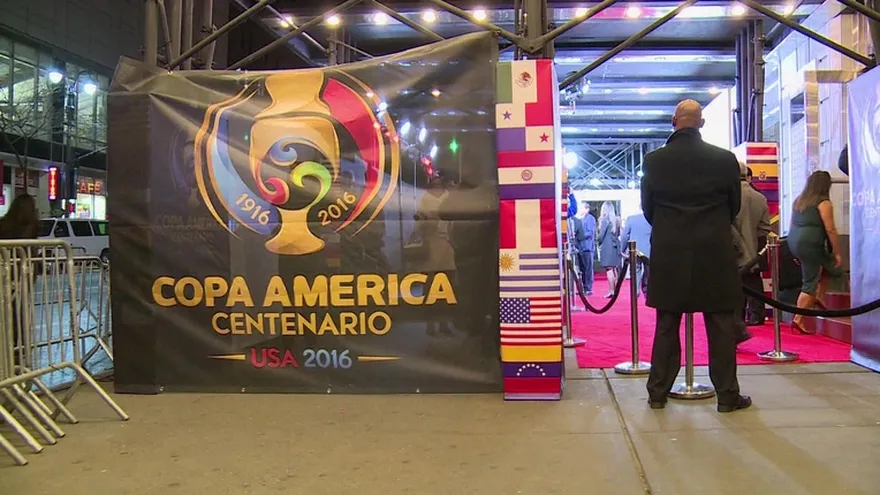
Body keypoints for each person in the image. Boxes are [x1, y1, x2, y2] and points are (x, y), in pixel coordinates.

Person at [642, 99, 751, 413]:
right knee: (720, 326)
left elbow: (649, 207)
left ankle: (657, 393)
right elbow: (734, 206)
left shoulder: (654, 161)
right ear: (701, 124)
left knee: (667, 325)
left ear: (673, 121)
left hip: (669, 251)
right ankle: (728, 396)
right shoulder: (724, 159)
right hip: (714, 252)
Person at [787, 170, 843, 334]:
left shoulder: (799, 201)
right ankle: (798, 319)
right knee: (810, 282)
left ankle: (819, 297)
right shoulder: (824, 203)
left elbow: (792, 223)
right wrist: (837, 251)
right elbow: (830, 229)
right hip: (811, 244)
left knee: (832, 268)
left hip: (796, 241)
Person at [732, 161, 772, 341]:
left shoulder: (727, 197)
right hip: (755, 249)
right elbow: (765, 227)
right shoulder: (760, 197)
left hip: (733, 251)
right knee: (754, 283)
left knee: (735, 288)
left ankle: (737, 323)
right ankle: (757, 315)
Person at [621, 209, 651, 297]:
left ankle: (635, 291)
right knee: (648, 272)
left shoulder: (631, 219)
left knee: (635, 271)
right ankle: (647, 291)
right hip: (648, 250)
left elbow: (624, 235)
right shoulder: (651, 219)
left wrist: (623, 249)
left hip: (634, 250)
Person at [597, 201, 621, 298]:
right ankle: (615, 290)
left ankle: (611, 291)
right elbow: (618, 234)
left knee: (609, 270)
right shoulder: (616, 220)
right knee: (614, 269)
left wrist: (598, 241)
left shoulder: (604, 220)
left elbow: (601, 235)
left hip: (607, 247)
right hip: (615, 246)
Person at [571, 201, 596, 294]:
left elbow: (590, 233)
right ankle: (583, 287)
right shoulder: (580, 219)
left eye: (581, 208)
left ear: (587, 209)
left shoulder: (590, 219)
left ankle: (588, 288)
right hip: (580, 247)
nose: (579, 210)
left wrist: (579, 235)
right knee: (582, 269)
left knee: (588, 269)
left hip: (587, 247)